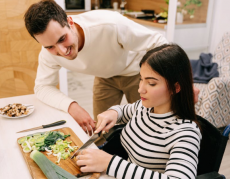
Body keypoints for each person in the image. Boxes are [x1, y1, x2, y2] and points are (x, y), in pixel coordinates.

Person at [24, 0, 169, 134]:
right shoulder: (48, 54)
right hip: (105, 77)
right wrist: (72, 106)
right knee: (101, 130)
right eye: (50, 46)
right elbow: (42, 87)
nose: (62, 51)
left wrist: (181, 80)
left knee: (148, 126)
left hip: (136, 73)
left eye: (62, 39)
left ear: (70, 22)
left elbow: (161, 44)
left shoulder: (109, 24)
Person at [75, 44, 202, 179]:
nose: (140, 89)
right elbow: (124, 111)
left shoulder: (186, 133)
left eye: (151, 83)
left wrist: (109, 163)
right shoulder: (145, 107)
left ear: (176, 87)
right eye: (141, 79)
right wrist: (112, 113)